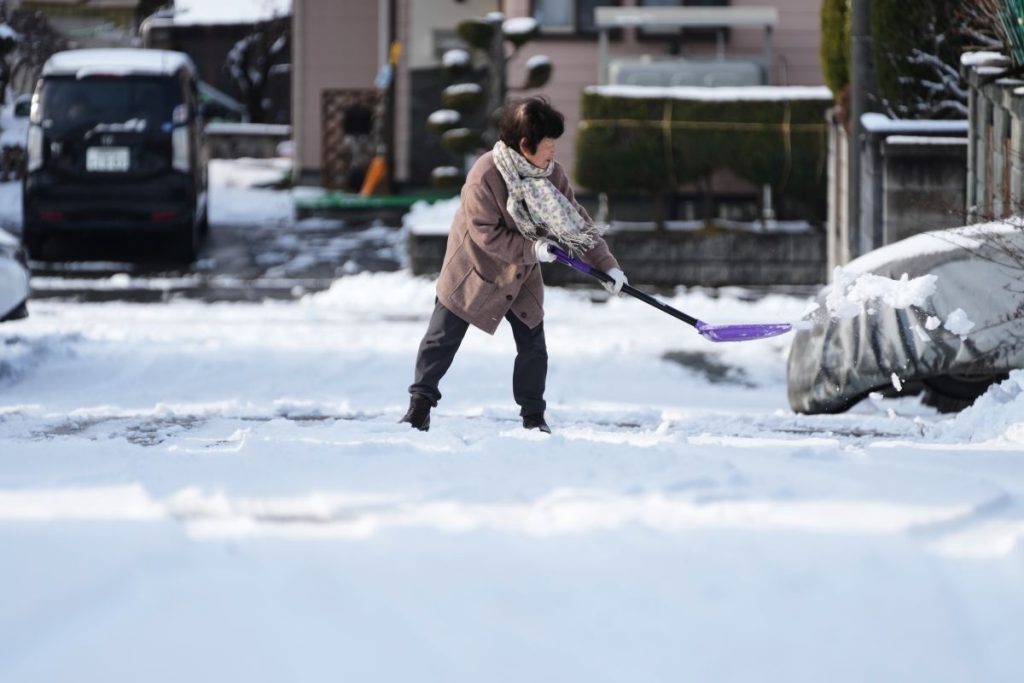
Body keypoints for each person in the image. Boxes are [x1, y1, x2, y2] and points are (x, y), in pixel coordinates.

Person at [401, 96, 627, 433]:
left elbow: (577, 221)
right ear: (524, 144)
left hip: (520, 273)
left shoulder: (551, 174)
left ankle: (534, 417)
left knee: (533, 345)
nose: (553, 152)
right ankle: (419, 406)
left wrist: (607, 266)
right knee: (441, 338)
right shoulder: (485, 175)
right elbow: (484, 234)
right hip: (474, 269)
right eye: (548, 144)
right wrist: (532, 249)